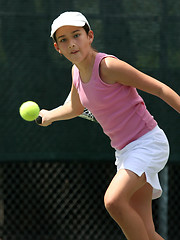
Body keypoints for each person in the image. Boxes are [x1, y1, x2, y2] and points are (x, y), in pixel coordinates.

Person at [38, 11, 180, 240]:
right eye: (63, 40)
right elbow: (74, 108)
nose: (71, 43)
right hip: (124, 152)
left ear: (90, 36)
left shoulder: (109, 66)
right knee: (147, 232)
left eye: (76, 35)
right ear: (57, 48)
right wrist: (50, 115)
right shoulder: (76, 73)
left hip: (148, 143)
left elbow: (160, 89)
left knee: (113, 201)